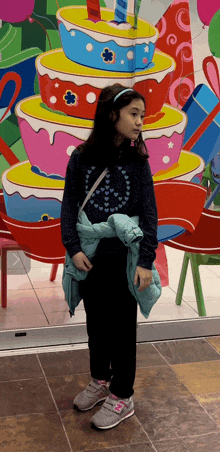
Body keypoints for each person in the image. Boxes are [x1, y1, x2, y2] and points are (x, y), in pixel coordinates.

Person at [61, 83, 158, 430]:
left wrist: (146, 260)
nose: (139, 122)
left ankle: (122, 394)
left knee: (122, 330)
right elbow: (69, 204)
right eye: (134, 114)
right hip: (89, 257)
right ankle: (101, 380)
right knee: (96, 326)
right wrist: (72, 248)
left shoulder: (137, 160)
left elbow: (149, 213)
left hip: (124, 259)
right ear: (112, 114)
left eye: (142, 116)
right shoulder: (81, 157)